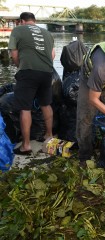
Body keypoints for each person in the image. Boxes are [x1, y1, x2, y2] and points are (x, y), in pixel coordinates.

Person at [8, 12, 55, 155]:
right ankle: (49, 136)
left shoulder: (17, 30)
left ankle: (26, 145)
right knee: (46, 104)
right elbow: (52, 55)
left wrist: (20, 67)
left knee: (25, 108)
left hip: (28, 71)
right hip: (47, 72)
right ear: (34, 21)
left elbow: (14, 54)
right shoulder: (47, 33)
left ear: (21, 21)